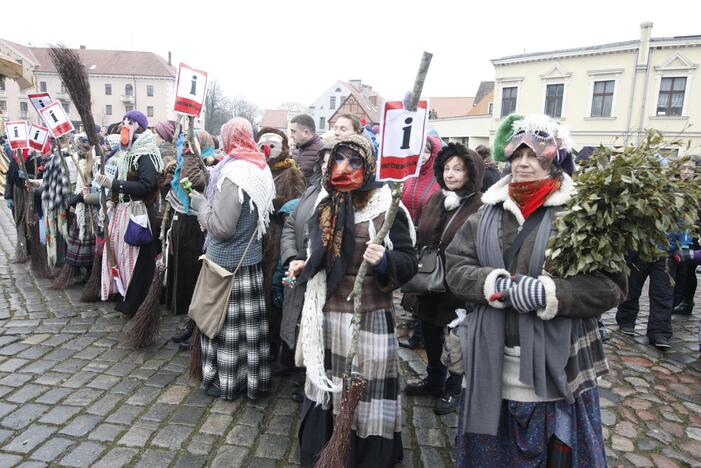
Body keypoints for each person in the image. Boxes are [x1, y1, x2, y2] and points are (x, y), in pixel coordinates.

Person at [446, 114, 626, 467]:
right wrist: (491, 283)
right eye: (517, 155)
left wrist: (550, 293)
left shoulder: (579, 215)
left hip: (556, 368)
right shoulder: (485, 213)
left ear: (554, 159)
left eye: (536, 156)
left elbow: (611, 287)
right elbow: (455, 270)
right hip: (490, 366)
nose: (524, 163)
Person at [294, 135, 417, 467]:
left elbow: (409, 262)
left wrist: (386, 261)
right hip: (327, 318)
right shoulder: (327, 204)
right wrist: (304, 266)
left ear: (370, 165)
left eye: (354, 161)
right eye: (338, 160)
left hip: (370, 321)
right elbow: (322, 258)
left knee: (367, 393)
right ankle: (326, 453)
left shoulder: (388, 208)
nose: (343, 168)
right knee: (327, 389)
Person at [189, 117, 275, 400]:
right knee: (246, 333)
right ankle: (250, 380)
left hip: (226, 264)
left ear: (228, 139)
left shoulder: (234, 173)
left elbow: (223, 228)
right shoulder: (259, 166)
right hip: (248, 262)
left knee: (222, 327)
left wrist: (201, 206)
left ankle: (225, 382)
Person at [403, 143, 484, 415]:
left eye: (458, 169)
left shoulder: (480, 205)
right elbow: (424, 231)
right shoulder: (437, 198)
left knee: (455, 338)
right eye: (447, 168)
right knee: (429, 332)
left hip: (457, 283)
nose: (450, 174)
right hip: (431, 281)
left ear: (471, 172)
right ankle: (434, 379)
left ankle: (454, 386)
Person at [279, 138, 335, 399]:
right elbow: (291, 224)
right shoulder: (312, 190)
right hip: (298, 268)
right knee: (295, 318)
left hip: (322, 275)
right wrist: (291, 256)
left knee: (315, 326)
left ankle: (311, 376)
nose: (327, 168)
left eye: (332, 162)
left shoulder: (343, 197)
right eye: (323, 163)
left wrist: (310, 261)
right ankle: (295, 366)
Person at [95, 111, 164, 316]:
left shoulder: (147, 152)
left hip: (139, 213)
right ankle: (125, 296)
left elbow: (146, 185)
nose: (126, 124)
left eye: (131, 122)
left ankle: (138, 302)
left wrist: (114, 184)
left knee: (139, 259)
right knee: (122, 256)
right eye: (124, 121)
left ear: (140, 126)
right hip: (122, 211)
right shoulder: (126, 153)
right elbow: (119, 180)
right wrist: (109, 200)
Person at [256, 127, 306, 364]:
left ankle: (279, 347)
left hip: (278, 239)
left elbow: (296, 205)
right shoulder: (257, 170)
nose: (267, 149)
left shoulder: (291, 173)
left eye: (272, 144)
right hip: (259, 239)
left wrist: (270, 203)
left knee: (276, 289)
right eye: (263, 144)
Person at [161, 126, 211, 350]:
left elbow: (193, 182)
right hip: (187, 222)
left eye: (185, 145)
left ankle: (197, 328)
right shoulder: (191, 161)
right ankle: (192, 324)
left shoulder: (208, 161)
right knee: (191, 279)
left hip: (199, 225)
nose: (182, 149)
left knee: (197, 279)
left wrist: (191, 157)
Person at [290, 114, 324, 182]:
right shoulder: (296, 148)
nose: (291, 135)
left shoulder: (323, 150)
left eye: (293, 131)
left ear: (306, 132)